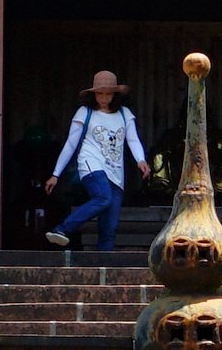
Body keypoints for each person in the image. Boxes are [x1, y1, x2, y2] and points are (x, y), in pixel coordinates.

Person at [46, 69, 152, 252]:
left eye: (108, 94)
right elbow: (71, 144)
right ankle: (63, 229)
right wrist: (56, 174)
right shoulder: (84, 112)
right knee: (103, 197)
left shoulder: (125, 114)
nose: (104, 98)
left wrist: (140, 160)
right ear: (93, 94)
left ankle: (103, 269)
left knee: (109, 227)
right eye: (100, 93)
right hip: (91, 163)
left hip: (116, 172)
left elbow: (133, 139)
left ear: (115, 94)